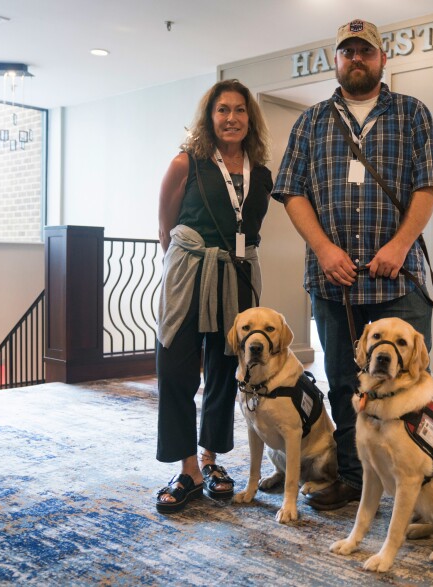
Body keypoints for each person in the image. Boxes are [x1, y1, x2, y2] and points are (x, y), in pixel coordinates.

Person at [271, 19, 433, 511]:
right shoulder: (309, 122)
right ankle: (353, 476)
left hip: (399, 279)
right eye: (347, 52)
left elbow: (429, 185)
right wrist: (325, 250)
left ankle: (427, 485)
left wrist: (398, 245)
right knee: (348, 383)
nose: (356, 59)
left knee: (412, 387)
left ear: (382, 59)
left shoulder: (412, 114)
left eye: (365, 52)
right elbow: (291, 192)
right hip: (335, 284)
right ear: (336, 60)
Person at [154, 79, 273, 513]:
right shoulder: (186, 163)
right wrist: (188, 269)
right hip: (188, 276)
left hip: (238, 275)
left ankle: (212, 460)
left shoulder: (261, 173)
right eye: (223, 110)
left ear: (250, 119)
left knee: (227, 371)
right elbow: (165, 229)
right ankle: (188, 469)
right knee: (176, 368)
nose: (231, 118)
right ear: (210, 117)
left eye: (240, 110)